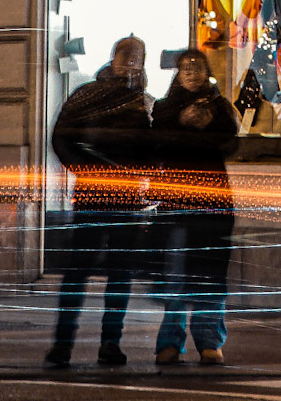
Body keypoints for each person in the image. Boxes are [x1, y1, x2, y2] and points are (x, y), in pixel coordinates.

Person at [46, 35, 154, 370]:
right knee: (78, 271)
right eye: (127, 57)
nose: (132, 63)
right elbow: (62, 139)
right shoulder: (88, 94)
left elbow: (149, 148)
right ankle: (63, 345)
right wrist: (91, 169)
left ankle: (110, 343)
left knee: (119, 272)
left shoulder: (141, 101)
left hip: (126, 198)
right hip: (93, 195)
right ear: (115, 58)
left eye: (138, 58)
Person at [150, 47, 240, 366]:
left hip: (213, 204)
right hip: (175, 204)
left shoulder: (219, 107)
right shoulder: (163, 108)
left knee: (210, 275)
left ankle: (209, 341)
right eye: (185, 69)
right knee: (174, 275)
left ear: (206, 72)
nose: (191, 74)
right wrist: (181, 123)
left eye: (197, 68)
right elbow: (155, 145)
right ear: (177, 74)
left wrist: (207, 126)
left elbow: (231, 143)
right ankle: (170, 342)